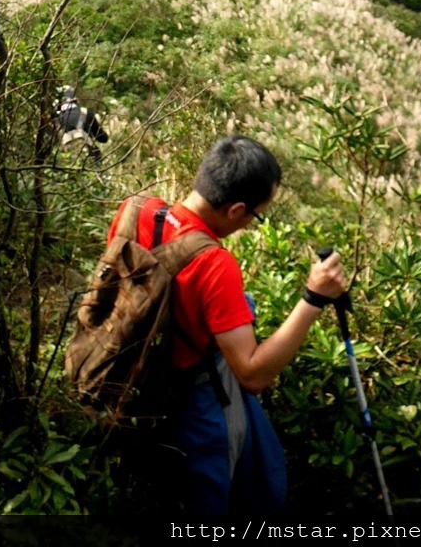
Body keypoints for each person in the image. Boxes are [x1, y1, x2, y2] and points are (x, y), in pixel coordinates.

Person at [106, 135, 347, 516]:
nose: (251, 223)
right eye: (256, 215)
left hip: (125, 380)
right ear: (236, 210)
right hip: (189, 406)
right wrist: (313, 299)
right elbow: (251, 374)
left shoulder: (135, 210)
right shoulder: (214, 265)